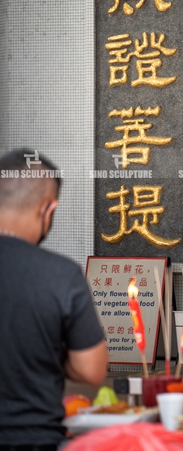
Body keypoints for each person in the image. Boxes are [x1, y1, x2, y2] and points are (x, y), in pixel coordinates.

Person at [0, 149, 107, 451]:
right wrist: (43, 347)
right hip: (33, 439)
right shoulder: (60, 275)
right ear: (48, 209)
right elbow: (91, 370)